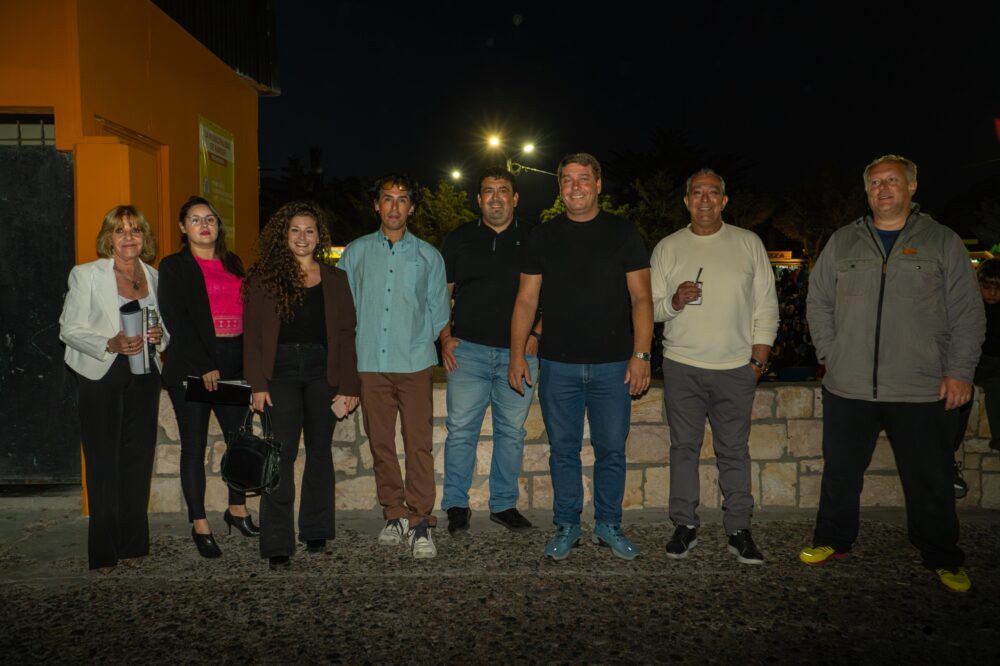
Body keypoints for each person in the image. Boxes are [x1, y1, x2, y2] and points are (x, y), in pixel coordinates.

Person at [802, 154, 985, 593]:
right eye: (875, 183)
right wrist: (832, 353)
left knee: (930, 480)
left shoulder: (942, 241)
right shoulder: (844, 241)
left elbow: (967, 313)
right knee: (841, 473)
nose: (883, 189)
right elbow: (818, 301)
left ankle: (941, 554)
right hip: (849, 386)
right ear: (866, 191)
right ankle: (832, 539)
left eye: (892, 181)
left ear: (912, 187)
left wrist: (959, 371)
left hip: (919, 387)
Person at [508, 153, 653, 561]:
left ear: (598, 185)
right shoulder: (543, 236)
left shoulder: (622, 232)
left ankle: (608, 524)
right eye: (567, 180)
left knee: (611, 450)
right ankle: (567, 524)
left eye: (584, 178)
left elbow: (642, 298)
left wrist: (642, 354)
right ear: (560, 187)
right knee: (563, 451)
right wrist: (517, 355)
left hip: (613, 365)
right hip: (558, 365)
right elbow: (526, 300)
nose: (575, 187)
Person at [650, 168, 779, 565]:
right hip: (682, 365)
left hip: (735, 368)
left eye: (712, 193)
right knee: (683, 449)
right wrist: (674, 301)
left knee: (734, 451)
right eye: (697, 192)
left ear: (724, 201)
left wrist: (757, 362)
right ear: (686, 201)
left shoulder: (748, 243)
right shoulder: (668, 247)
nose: (704, 199)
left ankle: (739, 529)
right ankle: (684, 524)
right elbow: (650, 309)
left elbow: (766, 306)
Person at [243, 201, 360, 571]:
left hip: (322, 371)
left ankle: (316, 529)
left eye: (310, 230)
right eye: (295, 229)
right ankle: (277, 541)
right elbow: (252, 337)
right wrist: (257, 384)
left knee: (320, 452)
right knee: (281, 454)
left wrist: (350, 385)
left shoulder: (336, 279)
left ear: (319, 236)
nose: (302, 237)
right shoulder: (264, 278)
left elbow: (347, 335)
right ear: (284, 234)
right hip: (278, 373)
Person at [338, 174, 449, 559]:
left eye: (402, 199)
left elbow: (439, 311)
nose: (395, 206)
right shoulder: (355, 253)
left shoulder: (428, 256)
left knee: (419, 444)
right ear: (376, 205)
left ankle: (420, 522)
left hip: (414, 363)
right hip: (370, 362)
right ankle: (394, 514)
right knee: (381, 442)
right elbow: (343, 309)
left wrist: (417, 340)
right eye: (387, 198)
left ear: (411, 207)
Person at [59, 204, 167, 571]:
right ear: (108, 239)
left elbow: (165, 330)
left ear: (144, 238)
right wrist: (110, 342)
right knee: (103, 460)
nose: (128, 237)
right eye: (120, 231)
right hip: (102, 371)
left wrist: (159, 336)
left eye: (135, 230)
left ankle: (133, 544)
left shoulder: (154, 276)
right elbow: (69, 329)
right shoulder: (86, 275)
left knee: (139, 458)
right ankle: (104, 550)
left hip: (145, 372)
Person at [439, 167, 539, 535]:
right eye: (488, 191)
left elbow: (554, 294)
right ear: (479, 199)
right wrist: (444, 337)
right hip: (468, 353)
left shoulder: (535, 238)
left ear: (515, 198)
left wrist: (537, 334)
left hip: (521, 355)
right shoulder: (459, 239)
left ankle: (503, 505)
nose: (496, 198)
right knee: (460, 431)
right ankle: (455, 505)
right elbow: (442, 294)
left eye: (503, 190)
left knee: (511, 433)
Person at [159, 195, 257, 559]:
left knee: (239, 442)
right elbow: (176, 318)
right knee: (195, 446)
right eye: (196, 219)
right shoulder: (174, 266)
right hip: (192, 368)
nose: (204, 225)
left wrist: (249, 366)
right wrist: (204, 364)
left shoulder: (233, 262)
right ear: (183, 228)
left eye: (210, 219)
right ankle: (199, 523)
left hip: (233, 365)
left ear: (219, 226)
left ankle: (237, 509)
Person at [952, 258, 1000, 497]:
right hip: (974, 365)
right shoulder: (969, 307)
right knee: (965, 394)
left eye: (997, 288)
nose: (992, 294)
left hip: (991, 365)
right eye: (986, 287)